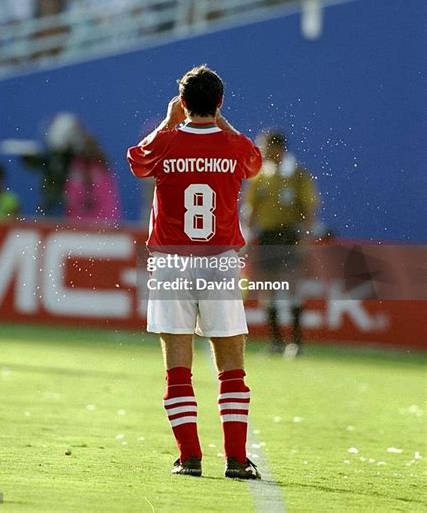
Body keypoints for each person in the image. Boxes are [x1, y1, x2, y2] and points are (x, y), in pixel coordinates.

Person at [127, 65, 262, 480]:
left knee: (177, 367)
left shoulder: (167, 142)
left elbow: (137, 161)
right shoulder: (233, 144)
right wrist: (219, 120)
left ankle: (189, 458)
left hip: (171, 263)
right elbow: (253, 162)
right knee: (232, 366)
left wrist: (170, 122)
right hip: (219, 263)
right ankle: (237, 460)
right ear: (220, 102)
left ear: (182, 103)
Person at [244, 131, 319, 356]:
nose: (263, 153)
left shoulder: (298, 175)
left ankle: (296, 343)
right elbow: (250, 211)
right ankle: (276, 342)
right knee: (269, 289)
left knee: (292, 286)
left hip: (289, 235)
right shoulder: (259, 177)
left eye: (265, 148)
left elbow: (308, 210)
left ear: (278, 149)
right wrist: (246, 237)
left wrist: (305, 238)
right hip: (266, 237)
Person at [64, 134, 121, 224]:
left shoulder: (103, 169)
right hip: (78, 224)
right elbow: (71, 199)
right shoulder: (76, 169)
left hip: (102, 223)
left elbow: (108, 200)